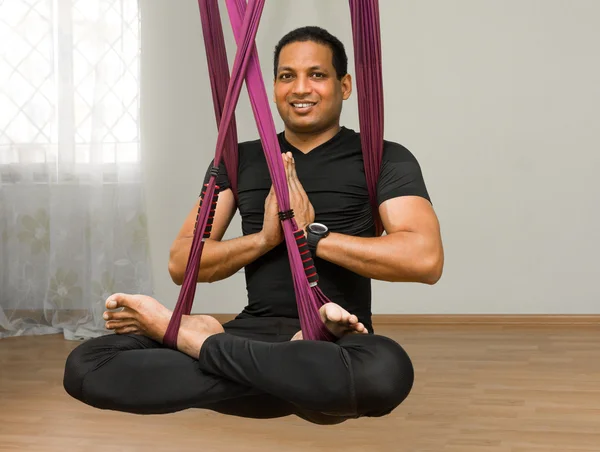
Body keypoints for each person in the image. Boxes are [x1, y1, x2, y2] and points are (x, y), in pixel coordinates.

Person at [63, 26, 444, 424]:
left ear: (344, 85)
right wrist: (265, 238)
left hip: (333, 340)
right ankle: (274, 366)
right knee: (87, 365)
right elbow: (183, 261)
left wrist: (311, 237)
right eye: (286, 76)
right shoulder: (238, 159)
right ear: (272, 88)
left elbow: (424, 258)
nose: (300, 88)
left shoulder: (382, 157)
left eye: (316, 74)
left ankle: (202, 343)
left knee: (386, 371)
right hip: (284, 355)